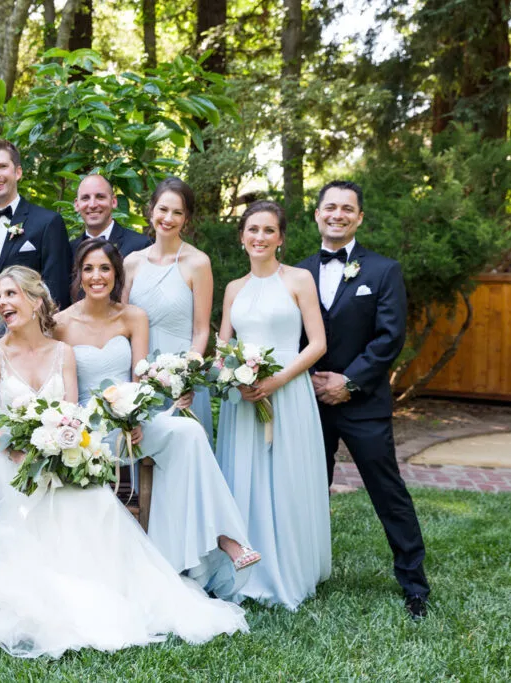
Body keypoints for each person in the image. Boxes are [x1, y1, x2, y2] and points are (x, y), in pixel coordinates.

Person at [0, 266, 247, 658]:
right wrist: (15, 449)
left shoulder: (62, 353)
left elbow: (72, 413)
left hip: (60, 456)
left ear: (35, 300)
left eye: (11, 294)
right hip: (15, 465)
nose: (3, 303)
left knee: (94, 502)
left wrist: (63, 445)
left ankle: (116, 593)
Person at [54, 239, 259, 599]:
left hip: (132, 416)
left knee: (188, 433)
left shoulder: (134, 317)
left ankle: (223, 538)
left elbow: (140, 375)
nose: (97, 276)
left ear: (117, 274)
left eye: (105, 268)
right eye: (89, 269)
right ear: (79, 275)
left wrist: (134, 414)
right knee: (115, 439)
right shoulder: (61, 324)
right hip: (89, 427)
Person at [297, 181, 431, 620]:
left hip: (363, 403)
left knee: (387, 491)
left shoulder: (383, 270)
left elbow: (389, 337)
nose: (337, 214)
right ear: (316, 214)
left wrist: (348, 382)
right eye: (330, 207)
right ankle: (300, 575)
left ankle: (414, 585)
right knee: (305, 490)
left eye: (347, 209)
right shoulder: (297, 273)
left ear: (359, 218)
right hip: (310, 403)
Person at [215, 200, 332, 610]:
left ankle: (289, 567)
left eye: (268, 230)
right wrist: (231, 374)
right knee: (243, 478)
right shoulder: (233, 288)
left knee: (284, 477)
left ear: (281, 238)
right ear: (242, 237)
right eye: (252, 230)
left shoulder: (299, 279)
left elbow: (317, 343)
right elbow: (222, 345)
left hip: (289, 393)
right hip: (243, 400)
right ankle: (246, 566)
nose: (259, 237)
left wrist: (278, 379)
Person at [124, 178, 215, 440]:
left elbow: (200, 331)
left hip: (181, 378)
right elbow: (122, 325)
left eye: (178, 212)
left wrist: (184, 377)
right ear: (151, 210)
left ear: (187, 219)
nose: (168, 218)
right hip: (139, 376)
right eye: (163, 209)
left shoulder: (198, 263)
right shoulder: (132, 263)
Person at [0, 140, 73, 309]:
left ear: (18, 172)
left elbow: (57, 290)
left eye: (2, 166)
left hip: (32, 329)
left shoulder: (48, 223)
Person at [68, 174, 151, 261]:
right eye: (85, 198)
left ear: (114, 202)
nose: (92, 205)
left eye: (100, 197)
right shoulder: (68, 251)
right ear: (77, 205)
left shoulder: (142, 245)